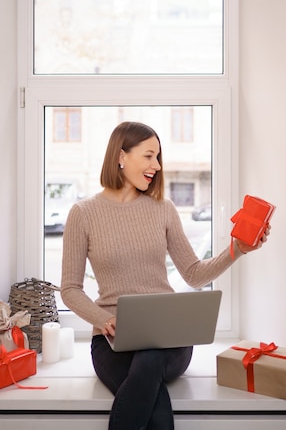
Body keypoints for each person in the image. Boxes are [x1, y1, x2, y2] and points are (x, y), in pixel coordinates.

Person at [61, 121, 270, 430]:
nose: (156, 166)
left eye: (158, 157)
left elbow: (194, 274)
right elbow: (70, 289)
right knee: (152, 393)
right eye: (148, 156)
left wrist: (235, 251)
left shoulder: (164, 209)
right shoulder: (84, 214)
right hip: (111, 341)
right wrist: (104, 320)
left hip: (168, 340)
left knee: (149, 360)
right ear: (121, 156)